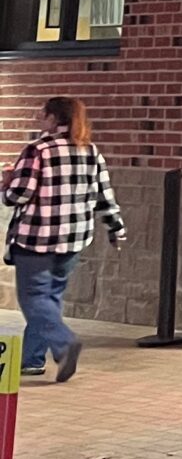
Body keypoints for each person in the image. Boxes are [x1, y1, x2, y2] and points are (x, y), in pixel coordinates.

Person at [4, 98, 124, 383]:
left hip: (36, 240)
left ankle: (64, 343)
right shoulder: (90, 151)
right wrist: (115, 228)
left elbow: (17, 196)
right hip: (73, 240)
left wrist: (7, 181)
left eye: (42, 114)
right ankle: (32, 359)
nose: (39, 118)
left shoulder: (38, 150)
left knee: (34, 299)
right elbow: (104, 197)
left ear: (53, 118)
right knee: (50, 299)